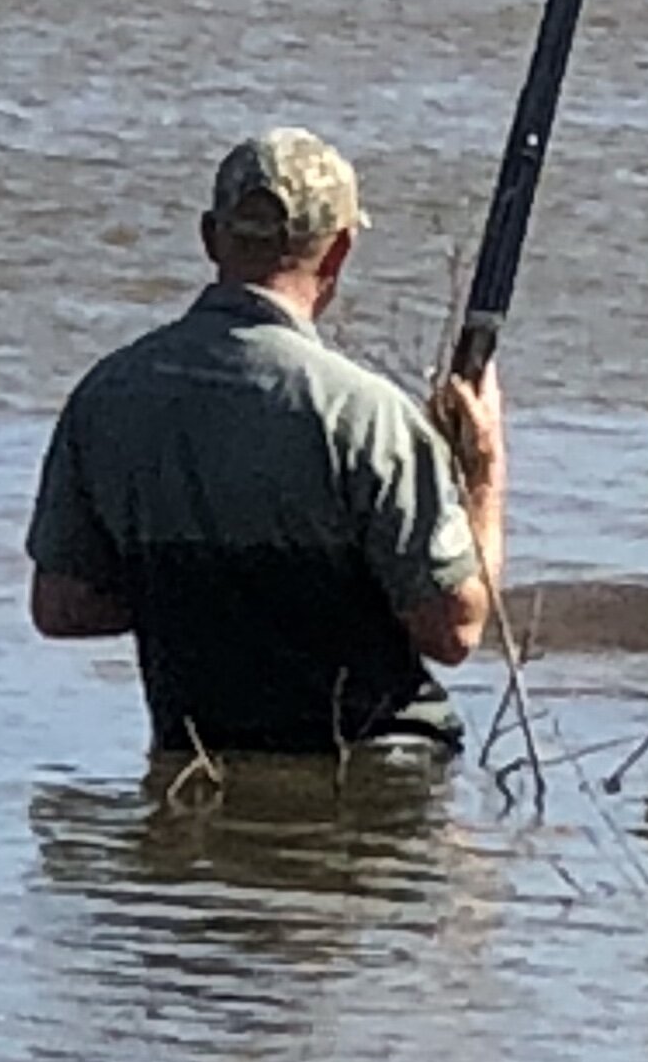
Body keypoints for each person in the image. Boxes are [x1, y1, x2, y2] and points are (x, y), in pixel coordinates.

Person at [27, 128, 505, 757]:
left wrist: (208, 599)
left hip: (196, 757)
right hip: (369, 776)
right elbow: (456, 629)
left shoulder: (108, 395)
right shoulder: (365, 415)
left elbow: (61, 606)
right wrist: (482, 474)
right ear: (337, 252)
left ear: (209, 237)